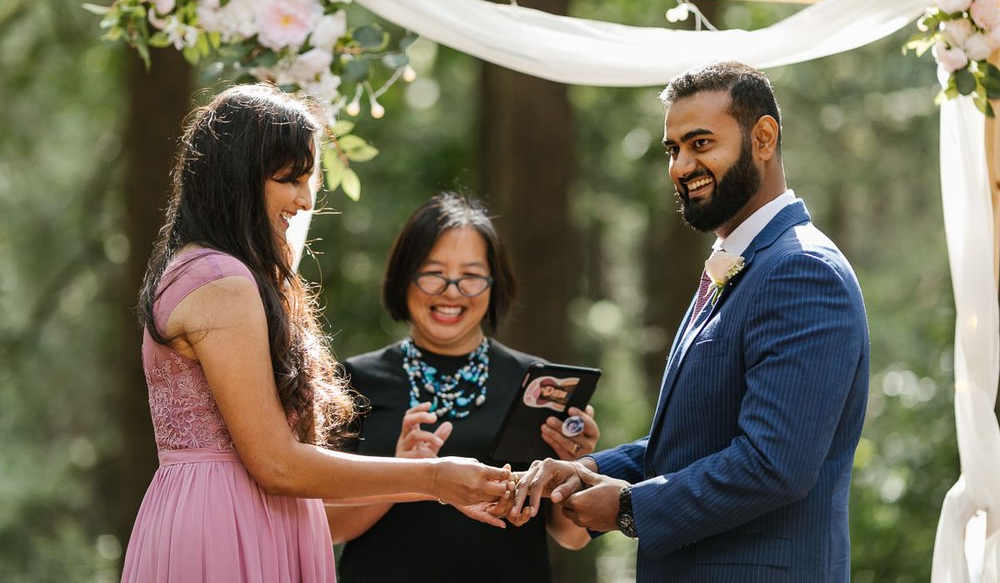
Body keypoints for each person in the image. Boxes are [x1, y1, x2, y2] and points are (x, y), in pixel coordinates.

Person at [121, 85, 511, 582]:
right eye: (291, 179)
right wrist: (434, 478)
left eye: (310, 179)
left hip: (236, 515)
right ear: (239, 177)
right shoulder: (222, 281)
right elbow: (277, 465)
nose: (306, 200)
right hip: (228, 527)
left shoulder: (197, 270)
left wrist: (421, 479)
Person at [512, 61, 870, 582]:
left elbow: (773, 464)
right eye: (672, 149)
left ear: (763, 138)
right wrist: (590, 470)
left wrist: (629, 508)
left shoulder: (801, 269)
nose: (681, 166)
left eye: (701, 144)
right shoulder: (743, 263)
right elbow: (698, 443)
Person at [326, 192, 600, 583]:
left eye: (470, 276)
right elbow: (329, 527)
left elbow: (571, 536)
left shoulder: (538, 385)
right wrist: (403, 473)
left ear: (493, 286)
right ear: (404, 277)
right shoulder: (353, 382)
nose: (451, 291)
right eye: (434, 272)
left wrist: (577, 465)